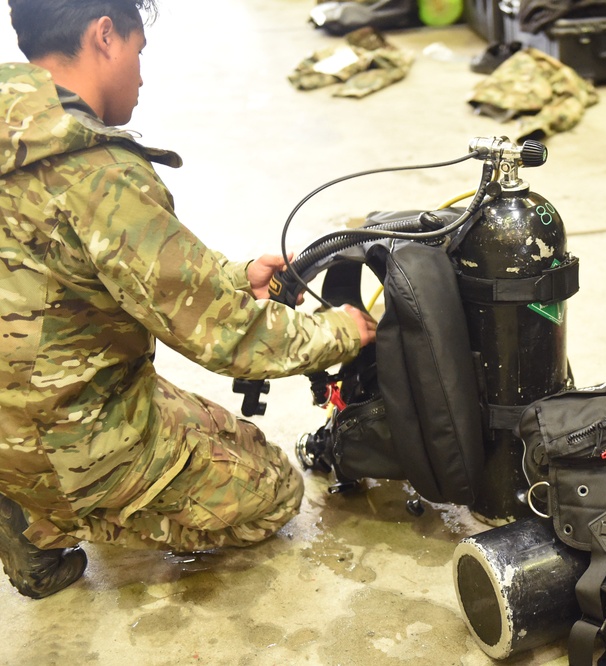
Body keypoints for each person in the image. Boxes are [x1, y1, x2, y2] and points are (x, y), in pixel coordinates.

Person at [0, 0, 377, 599]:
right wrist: (339, 332)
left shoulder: (14, 128)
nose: (142, 77)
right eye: (138, 53)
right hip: (67, 442)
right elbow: (226, 336)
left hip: (20, 404)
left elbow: (95, 272)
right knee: (274, 487)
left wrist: (233, 277)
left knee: (211, 430)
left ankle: (28, 497)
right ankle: (47, 514)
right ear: (104, 36)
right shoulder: (97, 174)